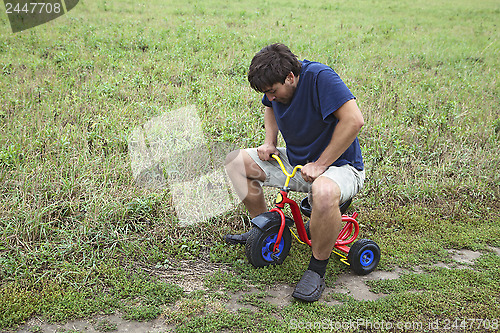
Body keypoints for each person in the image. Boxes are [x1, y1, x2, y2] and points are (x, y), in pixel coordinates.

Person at [224, 43, 365, 302]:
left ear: (290, 77)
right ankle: (266, 229)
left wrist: (322, 165)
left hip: (340, 167)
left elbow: (354, 120)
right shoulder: (277, 87)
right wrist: (270, 142)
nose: (271, 96)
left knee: (323, 191)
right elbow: (270, 105)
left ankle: (316, 270)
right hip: (299, 164)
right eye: (267, 92)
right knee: (236, 162)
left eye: (273, 91)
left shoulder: (321, 78)